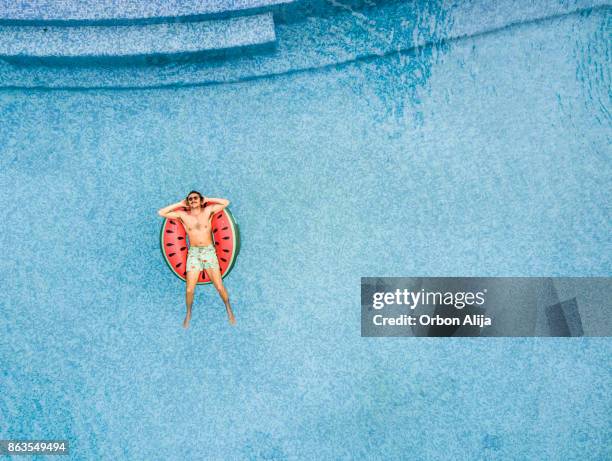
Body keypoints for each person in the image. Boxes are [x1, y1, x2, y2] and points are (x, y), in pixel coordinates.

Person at [158, 191, 236, 328]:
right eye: (190, 199)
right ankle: (188, 313)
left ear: (200, 201)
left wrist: (208, 199)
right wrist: (180, 204)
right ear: (187, 202)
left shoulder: (208, 211)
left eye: (195, 198)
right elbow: (161, 212)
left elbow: (226, 202)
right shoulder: (183, 215)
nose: (193, 200)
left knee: (218, 286)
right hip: (193, 254)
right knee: (189, 290)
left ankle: (228, 308)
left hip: (209, 252)